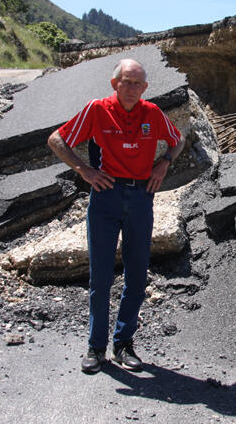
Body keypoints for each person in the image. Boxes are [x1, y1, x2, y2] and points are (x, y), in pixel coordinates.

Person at [47, 58, 185, 373]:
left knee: (136, 275)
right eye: (127, 81)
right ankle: (96, 349)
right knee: (101, 277)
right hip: (105, 197)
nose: (132, 88)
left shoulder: (152, 113)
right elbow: (57, 139)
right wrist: (83, 169)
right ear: (115, 83)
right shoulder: (97, 110)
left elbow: (178, 140)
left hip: (141, 197)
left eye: (138, 83)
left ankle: (124, 344)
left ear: (145, 88)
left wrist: (164, 161)